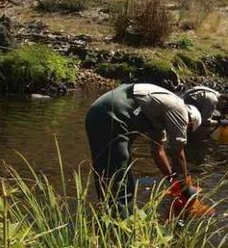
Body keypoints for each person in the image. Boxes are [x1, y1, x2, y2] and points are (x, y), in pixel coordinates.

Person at [85, 83, 202, 211]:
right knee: (119, 177)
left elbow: (157, 151)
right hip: (112, 113)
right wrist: (185, 188)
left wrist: (172, 180)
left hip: (98, 112)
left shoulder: (160, 113)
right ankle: (122, 223)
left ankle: (105, 216)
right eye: (188, 129)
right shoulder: (180, 109)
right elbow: (178, 153)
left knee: (108, 170)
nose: (184, 131)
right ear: (189, 122)